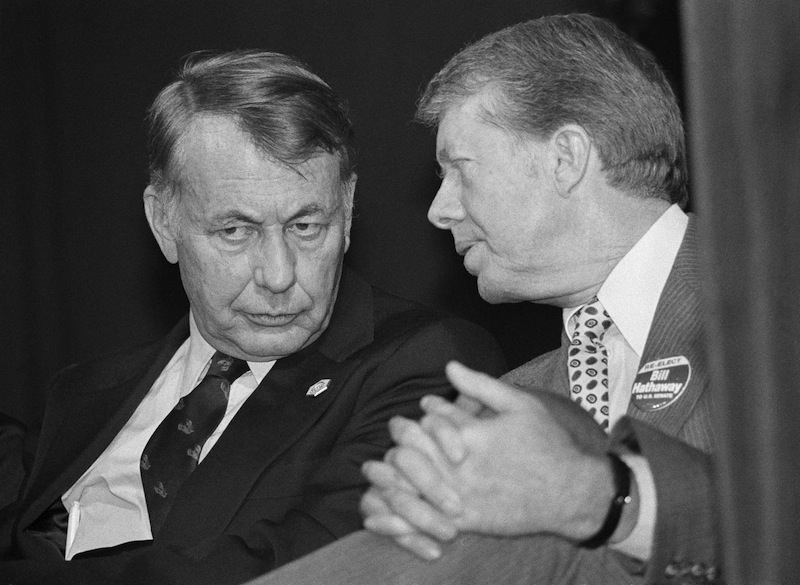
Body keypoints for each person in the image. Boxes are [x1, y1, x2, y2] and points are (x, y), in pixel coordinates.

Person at [0, 51, 505, 585]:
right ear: (164, 222)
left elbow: (310, 566)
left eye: (306, 226)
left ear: (348, 209)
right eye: (235, 231)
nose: (279, 274)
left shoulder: (429, 363)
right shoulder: (82, 393)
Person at [251, 13, 719, 585]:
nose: (439, 209)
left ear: (565, 158)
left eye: (460, 169)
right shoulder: (506, 407)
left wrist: (596, 495)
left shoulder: (771, 305)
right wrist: (403, 537)